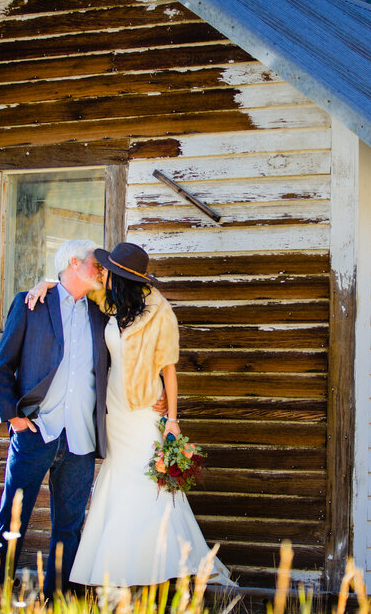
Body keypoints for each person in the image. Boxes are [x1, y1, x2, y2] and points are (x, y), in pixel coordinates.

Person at [27, 241, 233, 588]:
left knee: (146, 483)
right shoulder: (107, 303)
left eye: (109, 271)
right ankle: (119, 570)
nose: (103, 274)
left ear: (123, 277)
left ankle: (160, 565)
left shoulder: (160, 310)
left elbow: (169, 369)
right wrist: (45, 283)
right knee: (118, 480)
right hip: (114, 411)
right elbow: (70, 289)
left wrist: (172, 418)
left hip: (142, 410)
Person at [0, 239, 108, 600]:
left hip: (81, 440)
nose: (101, 270)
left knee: (69, 528)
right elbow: (3, 365)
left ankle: (58, 603)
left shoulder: (100, 316)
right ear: (73, 263)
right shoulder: (31, 305)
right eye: (95, 263)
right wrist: (14, 417)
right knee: (12, 520)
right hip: (36, 431)